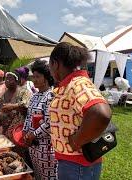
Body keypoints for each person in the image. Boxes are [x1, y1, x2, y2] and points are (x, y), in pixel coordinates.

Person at [48, 42, 111, 180]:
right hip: (72, 163)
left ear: (55, 63)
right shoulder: (70, 84)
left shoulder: (78, 83)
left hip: (78, 165)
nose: (50, 71)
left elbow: (101, 113)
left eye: (50, 66)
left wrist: (76, 141)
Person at [23, 60, 58, 179]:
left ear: (47, 78)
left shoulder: (51, 96)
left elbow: (50, 123)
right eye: (33, 77)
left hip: (46, 146)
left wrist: (33, 134)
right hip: (33, 145)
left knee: (48, 176)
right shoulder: (34, 96)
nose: (34, 80)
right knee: (37, 174)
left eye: (38, 77)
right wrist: (25, 132)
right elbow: (28, 116)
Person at [0, 72, 32, 166]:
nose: (7, 81)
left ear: (17, 80)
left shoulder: (24, 92)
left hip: (18, 130)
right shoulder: (3, 95)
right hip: (6, 130)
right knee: (10, 156)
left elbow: (27, 105)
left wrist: (13, 106)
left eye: (10, 79)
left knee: (22, 156)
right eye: (6, 79)